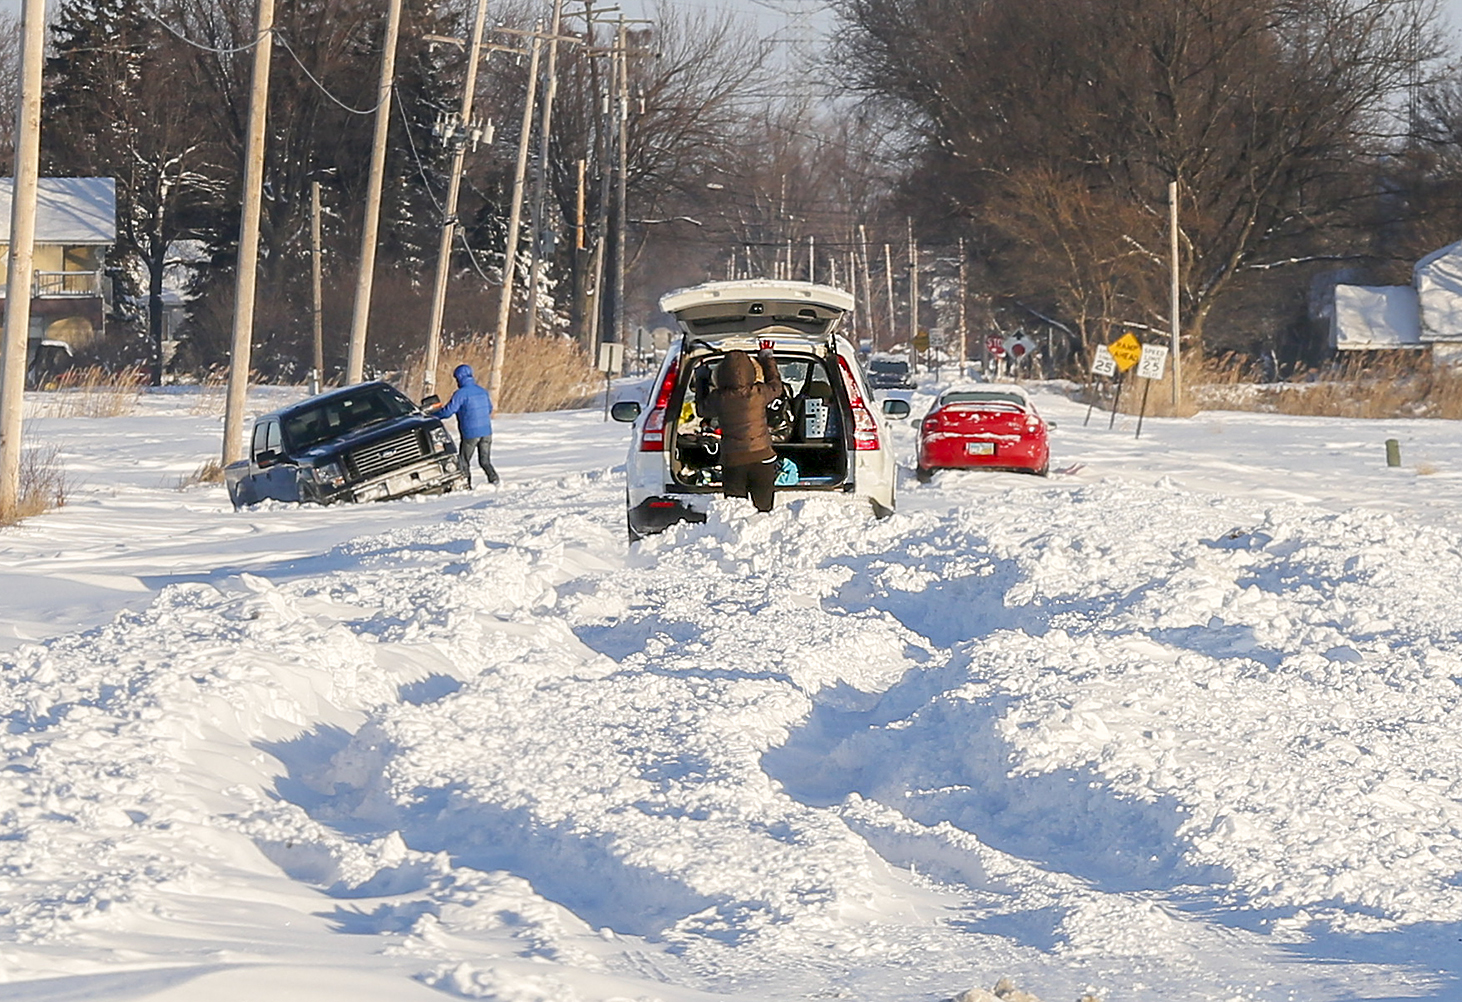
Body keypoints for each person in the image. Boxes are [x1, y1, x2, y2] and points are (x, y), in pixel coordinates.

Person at [699, 348, 784, 513]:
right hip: (763, 459)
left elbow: (701, 409)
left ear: (721, 375)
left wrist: (702, 378)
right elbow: (776, 386)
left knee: (735, 511)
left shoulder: (718, 398)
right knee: (765, 511)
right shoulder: (758, 392)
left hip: (733, 462)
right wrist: (767, 359)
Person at [434, 363, 499, 487]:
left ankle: (466, 485)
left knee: (464, 461)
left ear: (459, 378)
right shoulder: (482, 391)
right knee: (485, 461)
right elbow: (489, 409)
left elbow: (448, 411)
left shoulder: (460, 394)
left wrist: (434, 416)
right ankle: (494, 480)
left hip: (470, 433)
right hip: (486, 432)